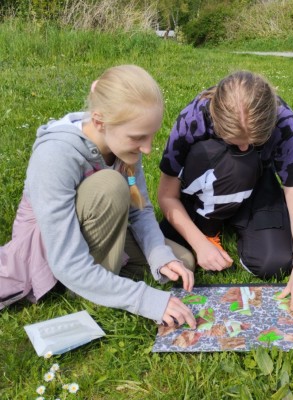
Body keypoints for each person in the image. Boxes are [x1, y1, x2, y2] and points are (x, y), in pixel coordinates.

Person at [0, 64, 196, 329]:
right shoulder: (55, 155)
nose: (148, 149)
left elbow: (140, 209)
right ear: (100, 122)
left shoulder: (124, 146)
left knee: (181, 262)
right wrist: (144, 299)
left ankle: (103, 280)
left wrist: (161, 257)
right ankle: (85, 289)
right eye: (139, 137)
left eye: (151, 136)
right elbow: (66, 260)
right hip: (50, 252)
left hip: (98, 232)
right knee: (111, 185)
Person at [158, 70, 293, 312]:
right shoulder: (193, 117)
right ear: (215, 118)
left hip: (257, 183)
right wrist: (200, 243)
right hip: (209, 179)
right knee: (236, 163)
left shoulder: (284, 121)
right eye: (234, 140)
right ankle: (207, 223)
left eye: (255, 142)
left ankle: (241, 216)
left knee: (273, 262)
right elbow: (166, 195)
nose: (244, 147)